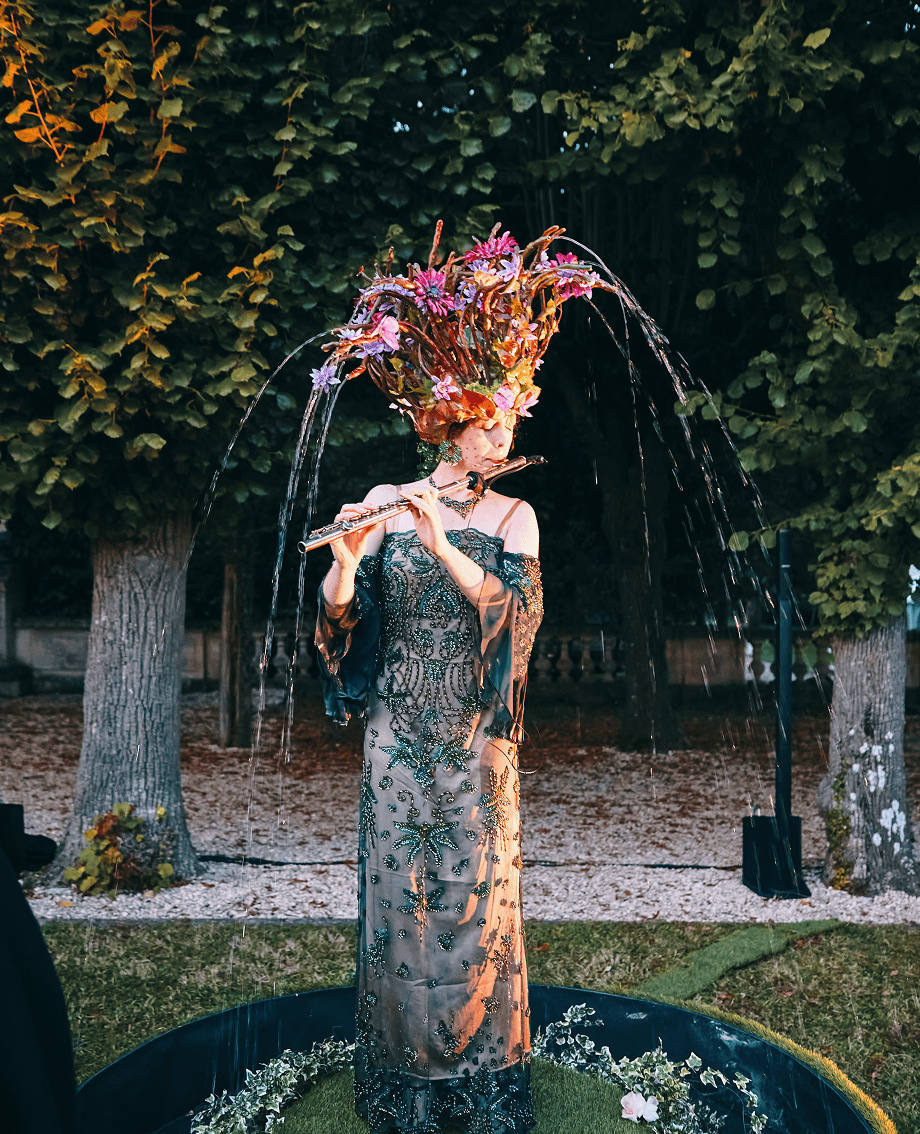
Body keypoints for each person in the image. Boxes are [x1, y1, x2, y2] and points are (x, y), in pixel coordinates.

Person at [312, 222, 600, 1133]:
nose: (507, 430)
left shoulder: (516, 514)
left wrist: (439, 541)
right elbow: (341, 620)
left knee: (474, 908)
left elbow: (514, 613)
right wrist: (353, 558)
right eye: (492, 418)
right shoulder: (390, 505)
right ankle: (402, 1083)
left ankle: (479, 1084)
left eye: (513, 416)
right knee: (400, 906)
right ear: (451, 422)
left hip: (475, 738)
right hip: (396, 734)